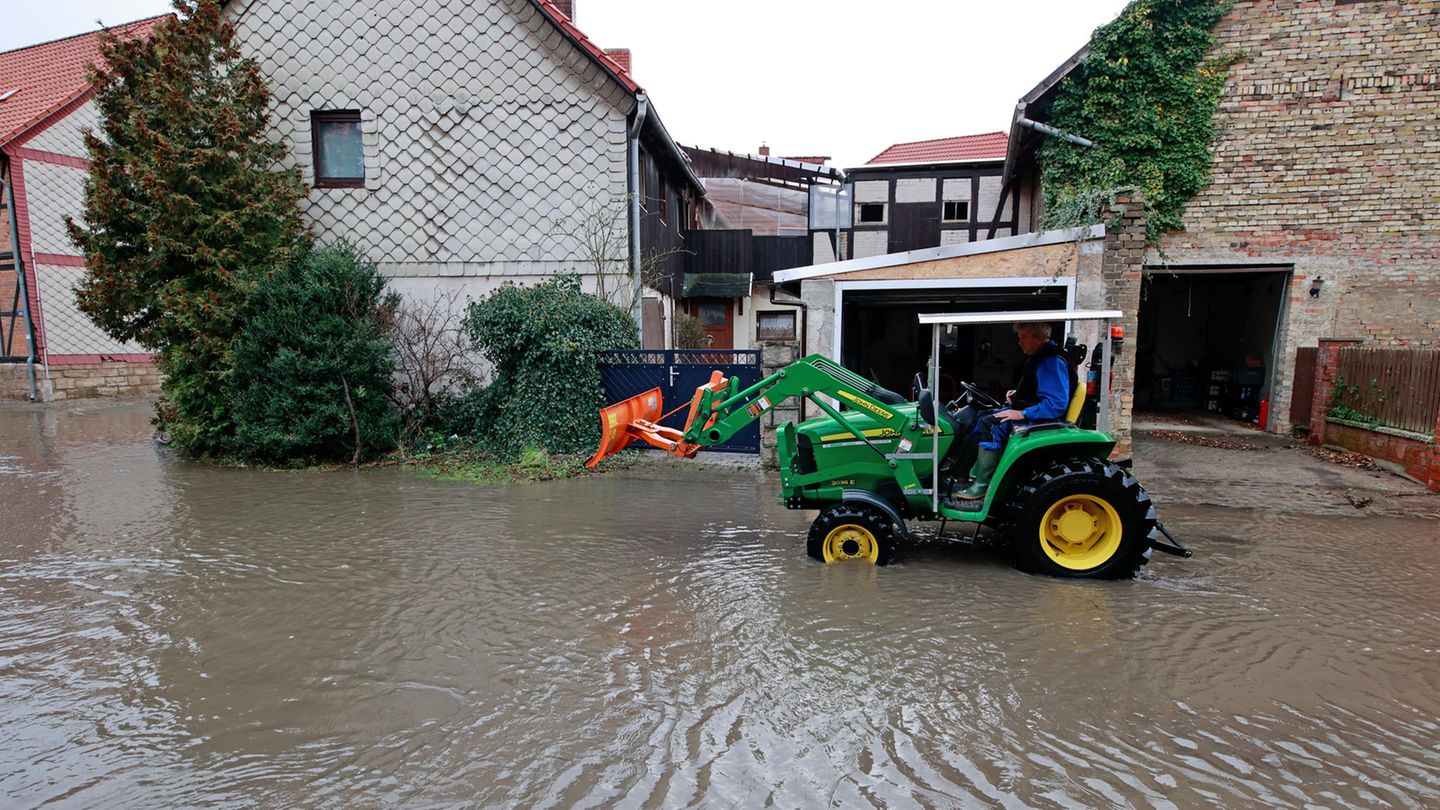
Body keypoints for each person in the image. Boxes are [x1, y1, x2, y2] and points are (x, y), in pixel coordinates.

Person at [955, 321, 1071, 501]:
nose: (1019, 342)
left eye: (1023, 337)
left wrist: (1022, 413)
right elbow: (1039, 390)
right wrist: (1018, 396)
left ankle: (982, 485)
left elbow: (1056, 404)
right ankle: (964, 475)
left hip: (1041, 420)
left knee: (990, 424)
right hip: (1033, 413)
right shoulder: (1042, 357)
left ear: (1039, 337)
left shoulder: (1050, 361)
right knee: (980, 416)